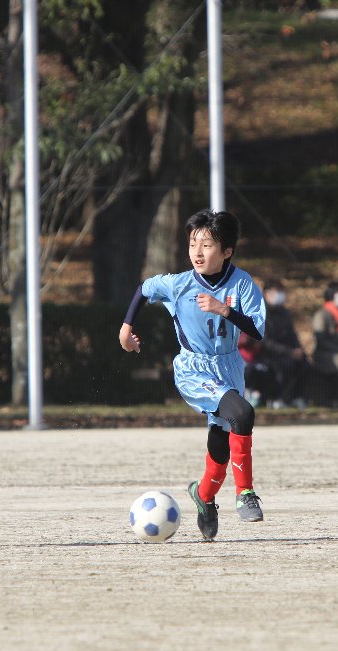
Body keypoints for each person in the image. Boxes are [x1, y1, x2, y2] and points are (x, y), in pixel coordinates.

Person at [119, 209, 266, 541]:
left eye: (207, 245)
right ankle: (246, 494)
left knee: (221, 445)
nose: (197, 252)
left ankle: (204, 496)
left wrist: (224, 309)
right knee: (243, 414)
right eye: (192, 244)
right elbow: (144, 289)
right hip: (194, 368)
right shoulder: (179, 284)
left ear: (227, 250)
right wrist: (126, 328)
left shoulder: (242, 283)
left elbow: (257, 330)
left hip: (229, 366)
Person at [239, 278, 309, 409]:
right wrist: (288, 352)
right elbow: (264, 340)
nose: (280, 295)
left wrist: (298, 349)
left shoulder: (285, 313)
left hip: (285, 352)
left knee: (304, 362)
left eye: (281, 291)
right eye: (276, 291)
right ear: (266, 293)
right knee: (279, 366)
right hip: (266, 354)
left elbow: (292, 334)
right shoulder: (259, 312)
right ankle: (275, 398)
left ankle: (297, 397)